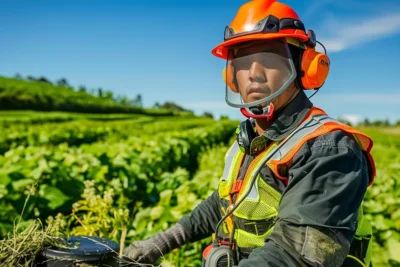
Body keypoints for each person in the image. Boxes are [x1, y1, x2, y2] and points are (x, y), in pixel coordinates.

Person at [123, 0, 376, 266]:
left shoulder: (329, 148)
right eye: (243, 62)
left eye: (269, 58)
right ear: (231, 76)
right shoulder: (252, 139)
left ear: (305, 66)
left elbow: (294, 256)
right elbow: (225, 202)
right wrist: (164, 241)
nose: (254, 74)